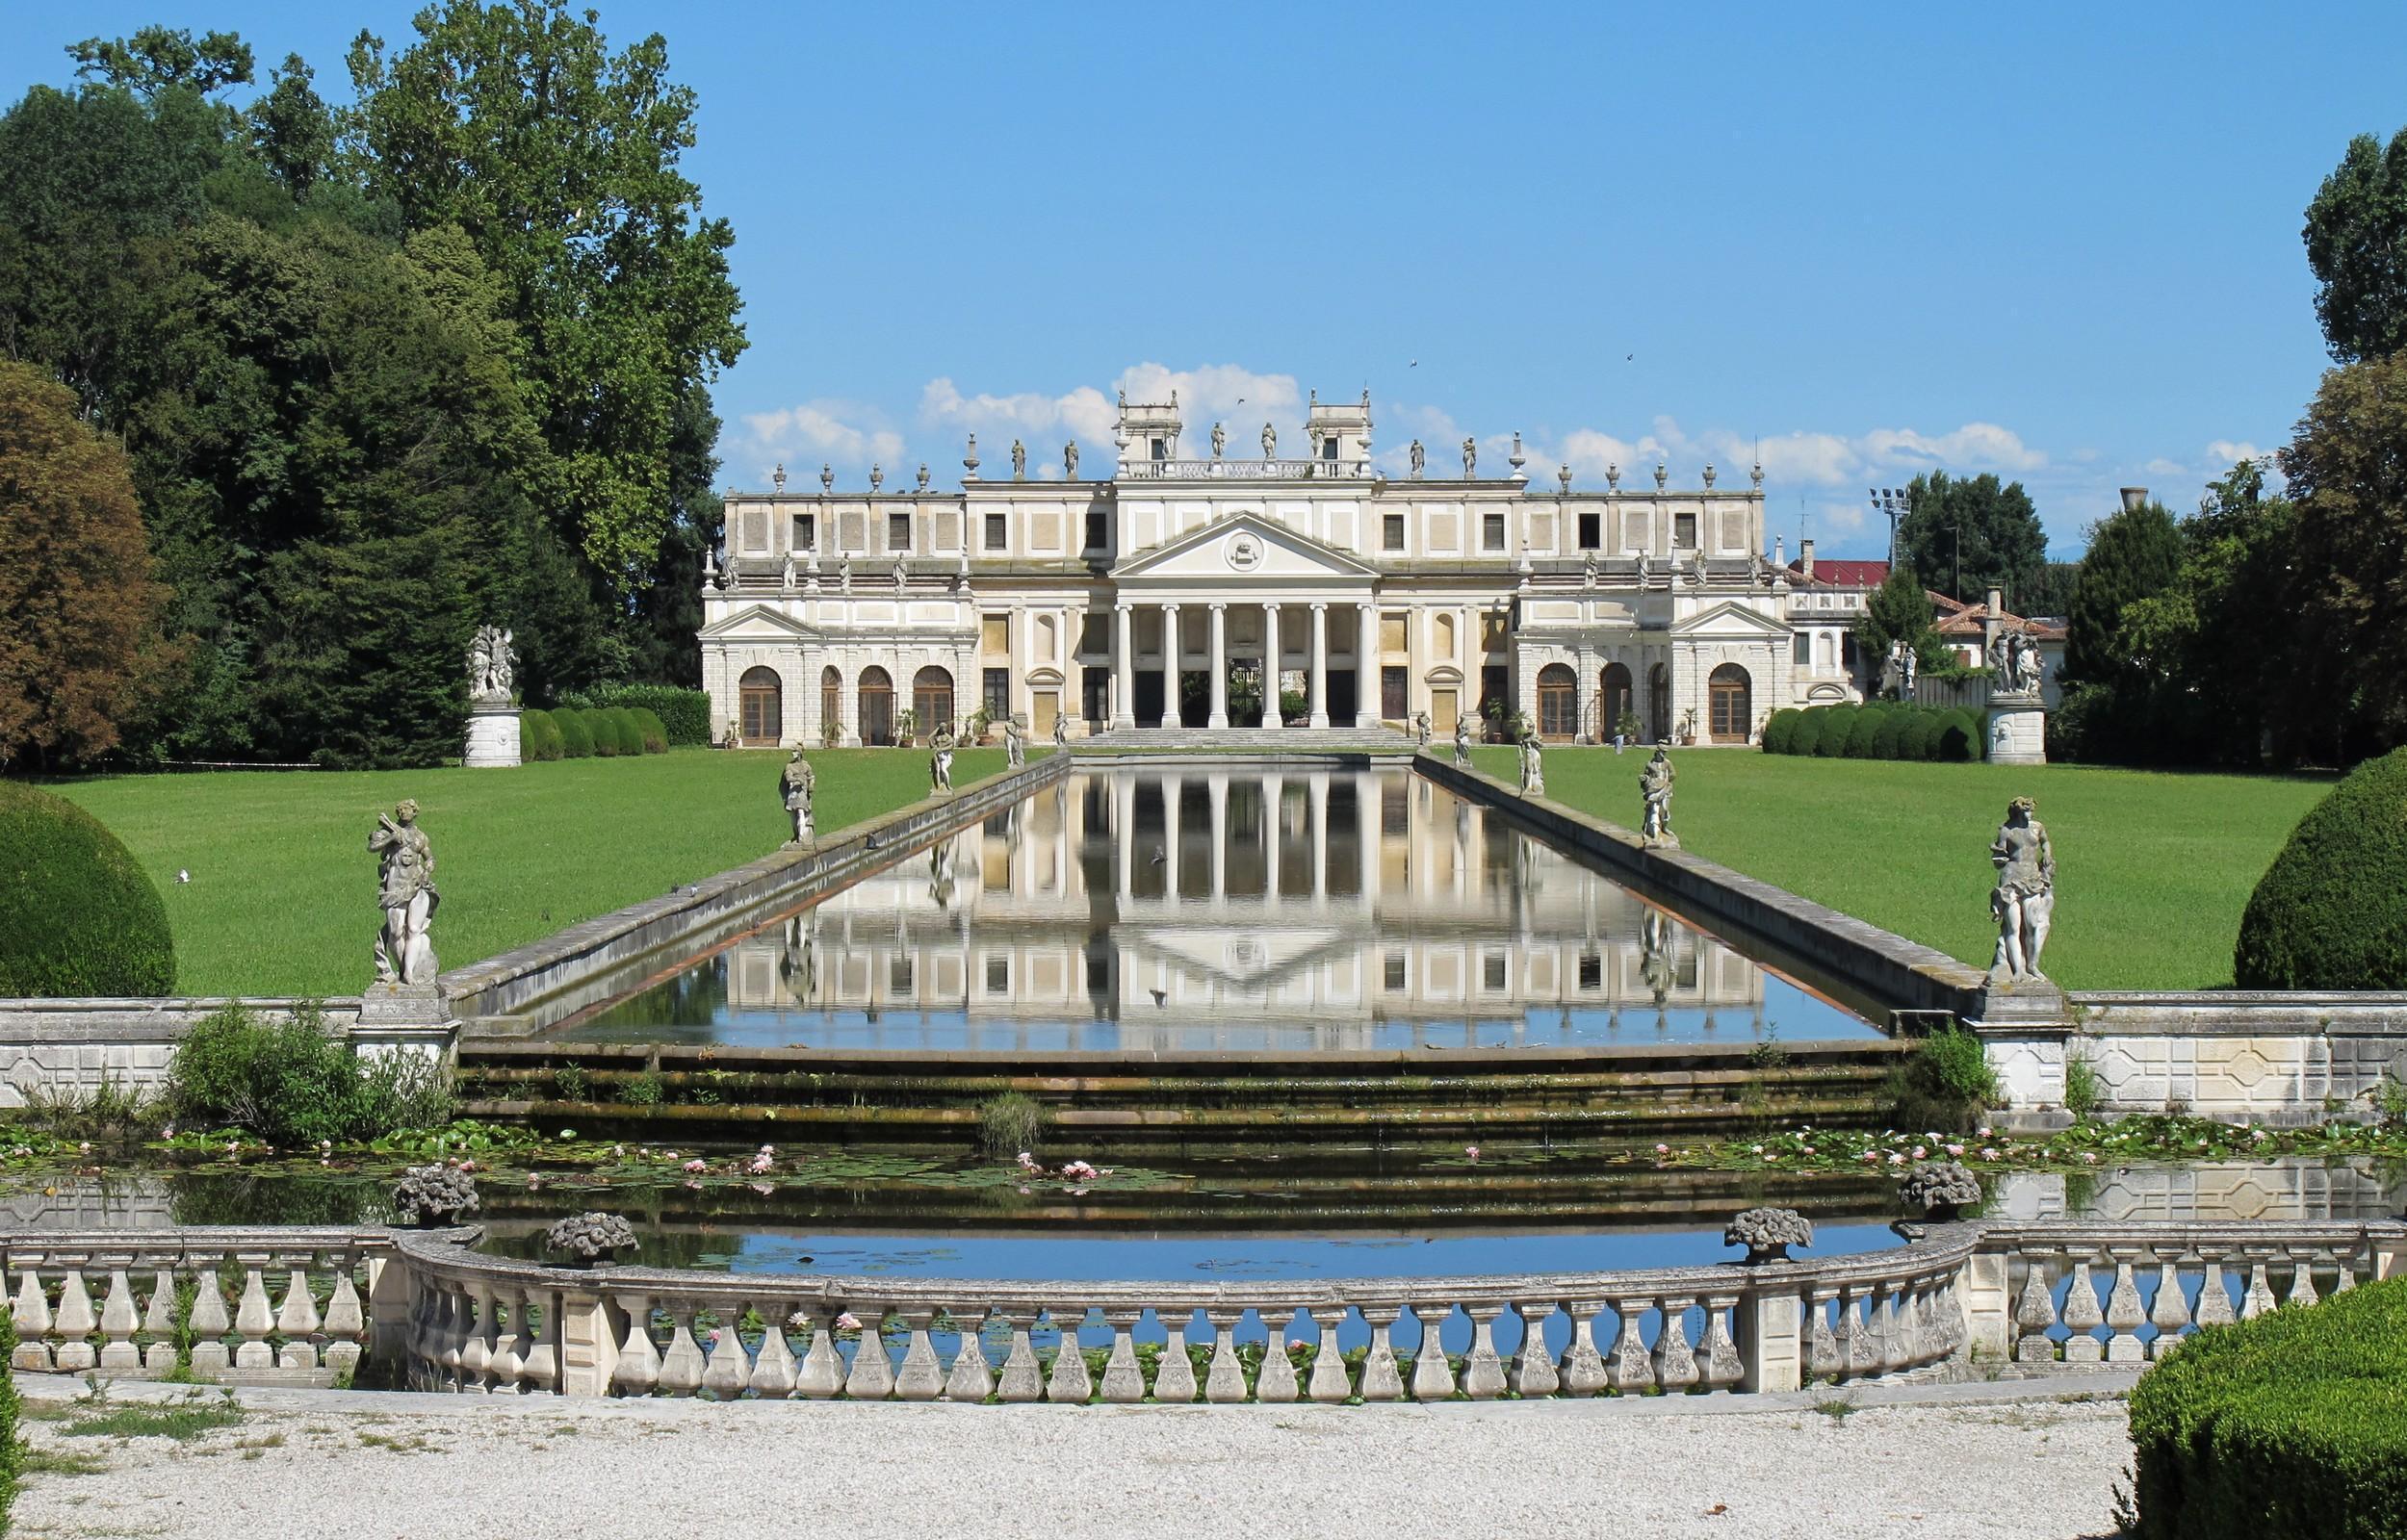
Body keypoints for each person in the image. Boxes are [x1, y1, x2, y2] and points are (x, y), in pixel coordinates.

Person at [368, 800, 439, 985]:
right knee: (396, 931)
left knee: (414, 929)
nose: (404, 813)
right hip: (395, 886)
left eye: (408, 810)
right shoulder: (388, 831)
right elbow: (372, 847)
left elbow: (429, 858)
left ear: (415, 813)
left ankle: (408, 972)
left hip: (416, 884)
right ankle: (401, 968)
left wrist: (428, 870)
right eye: (401, 810)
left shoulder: (420, 837)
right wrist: (392, 838)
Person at [1987, 796, 2055, 983]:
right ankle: (2018, 970)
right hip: (2011, 879)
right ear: (2017, 812)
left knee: (2033, 924)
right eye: (2026, 811)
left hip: (2032, 878)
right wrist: (1998, 857)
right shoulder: (2007, 830)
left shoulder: (2037, 827)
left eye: (2031, 811)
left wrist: (2047, 853)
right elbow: (2000, 856)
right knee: (2013, 927)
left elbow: (2045, 842)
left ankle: (2032, 965)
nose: (2029, 814)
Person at [1640, 746, 1677, 846]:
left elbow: (1673, 774)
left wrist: (1666, 781)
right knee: (1654, 810)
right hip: (1653, 789)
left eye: (1665, 752)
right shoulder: (1650, 764)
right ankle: (1655, 835)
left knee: (1664, 810)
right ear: (1658, 752)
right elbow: (1646, 776)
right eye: (1662, 752)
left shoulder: (1667, 763)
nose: (1664, 754)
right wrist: (1645, 779)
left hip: (1665, 789)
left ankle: (1664, 827)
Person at [780, 751, 815, 846]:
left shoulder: (806, 765)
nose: (793, 754)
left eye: (795, 752)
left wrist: (811, 785)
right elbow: (788, 778)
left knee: (801, 811)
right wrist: (797, 779)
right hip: (793, 792)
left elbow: (811, 776)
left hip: (802, 791)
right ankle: (796, 834)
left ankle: (802, 836)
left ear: (799, 753)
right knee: (792, 814)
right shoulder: (789, 766)